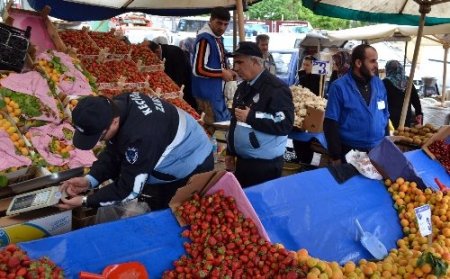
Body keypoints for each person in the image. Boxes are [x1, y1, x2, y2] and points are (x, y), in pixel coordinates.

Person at [58, 93, 214, 211]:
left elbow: (129, 190)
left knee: (167, 212)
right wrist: (90, 180)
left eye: (100, 136)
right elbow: (114, 150)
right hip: (166, 141)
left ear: (114, 122)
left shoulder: (142, 136)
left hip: (192, 161)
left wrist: (86, 201)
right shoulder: (118, 104)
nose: (99, 142)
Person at [225, 42, 294, 188]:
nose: (235, 68)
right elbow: (235, 119)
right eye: (234, 62)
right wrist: (230, 151)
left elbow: (285, 123)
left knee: (259, 207)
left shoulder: (276, 89)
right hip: (243, 162)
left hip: (264, 167)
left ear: (255, 62)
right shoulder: (243, 87)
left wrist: (252, 116)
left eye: (240, 62)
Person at [324, 44, 389, 164]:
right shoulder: (339, 87)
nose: (376, 65)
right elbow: (330, 123)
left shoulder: (379, 84)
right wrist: (335, 156)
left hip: (377, 149)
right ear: (358, 63)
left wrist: (387, 144)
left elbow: (385, 114)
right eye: (372, 61)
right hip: (351, 152)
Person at [192, 6, 235, 126]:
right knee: (214, 130)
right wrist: (222, 73)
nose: (222, 27)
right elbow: (198, 69)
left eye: (225, 24)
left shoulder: (217, 38)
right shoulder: (204, 39)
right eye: (219, 23)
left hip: (215, 94)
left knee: (223, 127)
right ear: (211, 20)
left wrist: (229, 71)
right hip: (207, 96)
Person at [149, 38, 197, 111]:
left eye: (151, 57)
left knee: (188, 107)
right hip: (174, 88)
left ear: (157, 51)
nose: (152, 60)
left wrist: (173, 93)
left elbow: (180, 76)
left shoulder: (174, 53)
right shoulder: (163, 50)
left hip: (184, 88)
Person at [293, 55, 324, 165]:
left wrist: (303, 75)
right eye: (304, 64)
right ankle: (302, 160)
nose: (305, 67)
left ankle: (305, 161)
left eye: (307, 65)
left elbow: (311, 89)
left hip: (312, 113)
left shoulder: (317, 78)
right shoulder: (302, 75)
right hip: (300, 113)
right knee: (298, 141)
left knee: (307, 142)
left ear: (314, 66)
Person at [383, 60, 423, 128]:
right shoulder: (408, 81)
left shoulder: (385, 82)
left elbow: (381, 100)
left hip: (390, 117)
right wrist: (419, 113)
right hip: (405, 116)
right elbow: (415, 99)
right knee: (404, 135)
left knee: (392, 136)